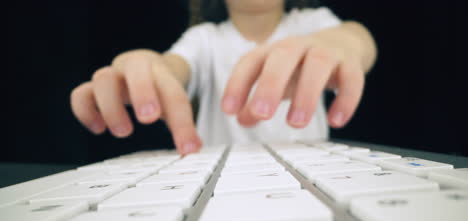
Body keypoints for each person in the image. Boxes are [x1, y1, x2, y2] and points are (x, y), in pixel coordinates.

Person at [70, 0, 377, 155]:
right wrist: (148, 70)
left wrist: (343, 44)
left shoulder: (312, 22)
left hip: (310, 179)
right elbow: (172, 67)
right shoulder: (204, 38)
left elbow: (359, 39)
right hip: (220, 189)